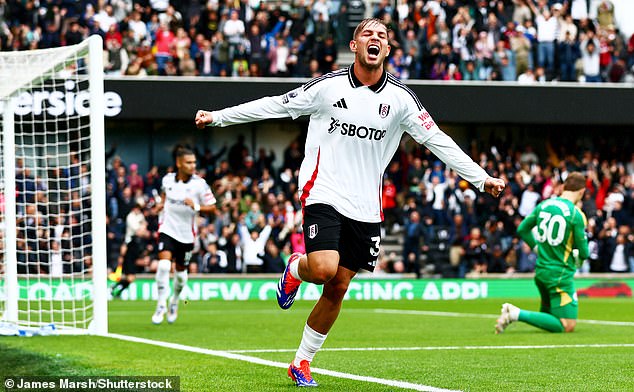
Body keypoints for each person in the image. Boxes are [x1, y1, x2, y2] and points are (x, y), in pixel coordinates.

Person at [195, 18, 505, 387]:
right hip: (322, 191)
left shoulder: (401, 100)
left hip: (366, 205)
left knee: (338, 287)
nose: (375, 40)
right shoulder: (328, 87)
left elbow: (437, 140)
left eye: (382, 37)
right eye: (367, 35)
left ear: (388, 50)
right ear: (354, 45)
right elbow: (275, 105)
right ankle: (298, 268)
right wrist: (218, 118)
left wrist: (479, 177)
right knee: (324, 269)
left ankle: (301, 361)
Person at [495, 172, 589, 334]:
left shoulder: (544, 205)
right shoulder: (575, 214)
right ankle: (515, 313)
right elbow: (585, 252)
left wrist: (536, 247)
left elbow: (522, 229)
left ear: (563, 187)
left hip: (541, 270)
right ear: (581, 192)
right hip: (560, 275)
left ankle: (514, 316)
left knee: (548, 317)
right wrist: (578, 257)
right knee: (567, 325)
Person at [152, 148, 217, 324]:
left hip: (186, 235)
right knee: (164, 266)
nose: (193, 165)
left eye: (194, 162)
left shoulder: (200, 184)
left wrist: (196, 206)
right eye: (189, 162)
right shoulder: (167, 180)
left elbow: (213, 207)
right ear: (179, 163)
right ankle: (160, 305)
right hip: (167, 229)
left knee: (181, 275)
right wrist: (159, 206)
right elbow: (164, 197)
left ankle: (174, 301)